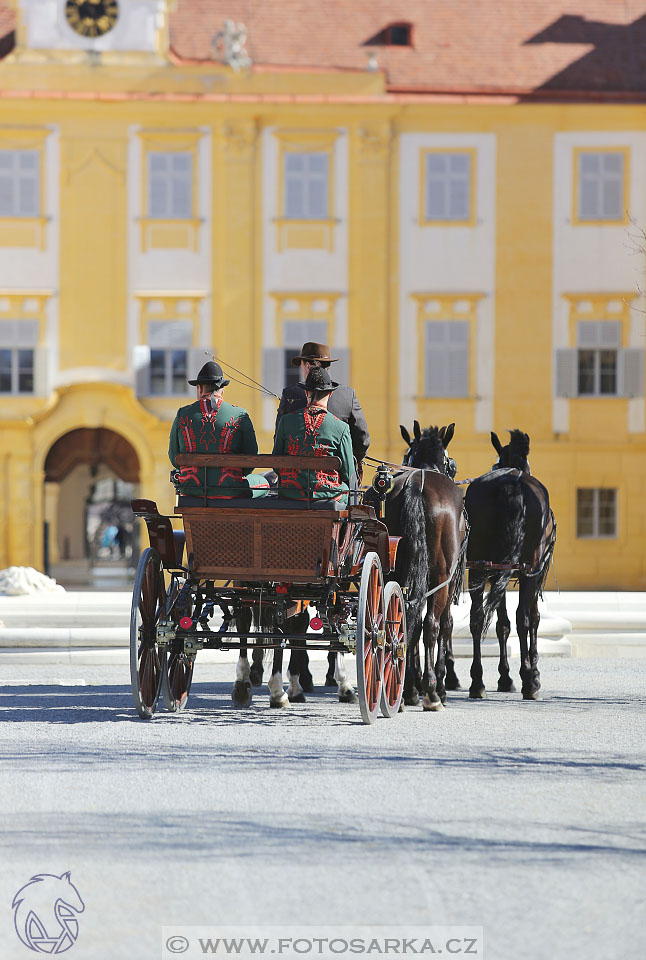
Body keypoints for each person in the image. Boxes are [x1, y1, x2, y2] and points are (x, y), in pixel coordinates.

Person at [169, 360, 268, 502]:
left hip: (191, 488)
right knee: (264, 482)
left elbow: (174, 457)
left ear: (200, 388)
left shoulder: (182, 414)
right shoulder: (240, 414)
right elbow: (251, 460)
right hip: (229, 488)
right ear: (222, 389)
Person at [275, 342, 370, 473]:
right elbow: (362, 439)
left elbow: (278, 442)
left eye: (301, 365)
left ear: (307, 365)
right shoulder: (348, 394)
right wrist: (349, 460)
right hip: (336, 479)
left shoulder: (290, 393)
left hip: (294, 481)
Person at [272, 366, 354, 509]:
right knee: (348, 488)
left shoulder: (286, 421)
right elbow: (347, 472)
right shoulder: (341, 428)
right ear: (329, 394)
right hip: (327, 495)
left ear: (306, 392)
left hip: (291, 494)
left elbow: (276, 465)